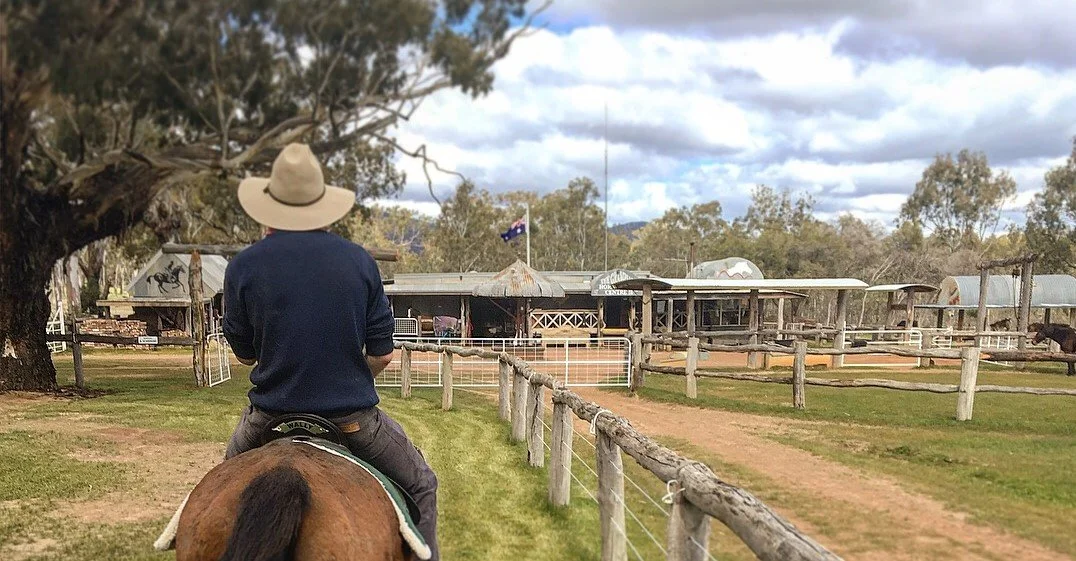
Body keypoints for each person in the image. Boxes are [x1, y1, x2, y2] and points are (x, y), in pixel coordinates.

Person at [221, 143, 439, 559]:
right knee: (422, 484)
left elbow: (246, 356)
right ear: (322, 205)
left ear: (269, 206)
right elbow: (383, 354)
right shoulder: (359, 262)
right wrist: (350, 373)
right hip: (353, 419)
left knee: (220, 482)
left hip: (268, 414)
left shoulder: (243, 266)